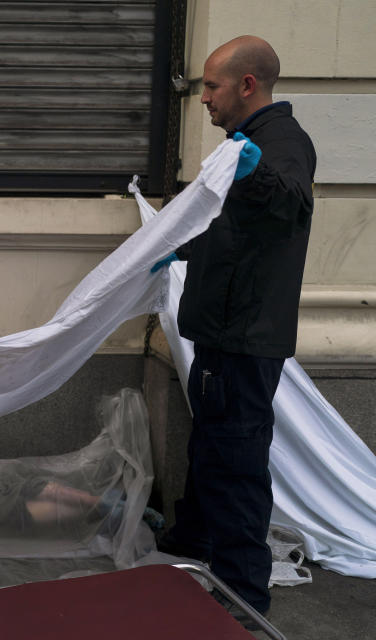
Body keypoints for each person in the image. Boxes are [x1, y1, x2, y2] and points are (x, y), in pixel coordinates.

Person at [157, 35, 316, 623]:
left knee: (236, 464)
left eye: (213, 87)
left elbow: (290, 205)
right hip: (222, 332)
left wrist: (252, 173)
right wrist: (178, 250)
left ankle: (244, 599)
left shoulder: (281, 143)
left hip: (244, 338)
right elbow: (231, 231)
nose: (205, 99)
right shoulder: (241, 144)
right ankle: (192, 544)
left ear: (247, 85)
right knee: (212, 448)